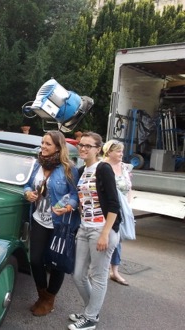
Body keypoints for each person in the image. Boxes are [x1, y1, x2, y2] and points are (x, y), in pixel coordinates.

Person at [23, 130, 80, 317]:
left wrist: (68, 206)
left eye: (48, 144)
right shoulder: (37, 165)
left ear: (58, 147)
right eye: (43, 142)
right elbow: (28, 184)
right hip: (39, 219)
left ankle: (48, 299)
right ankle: (42, 294)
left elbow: (75, 195)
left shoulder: (68, 169)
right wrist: (28, 193)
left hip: (59, 222)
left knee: (56, 262)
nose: (43, 146)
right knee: (36, 260)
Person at [68, 132, 121, 330]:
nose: (83, 148)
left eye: (88, 146)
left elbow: (114, 204)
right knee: (78, 275)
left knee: (98, 276)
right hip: (85, 227)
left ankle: (90, 318)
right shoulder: (82, 170)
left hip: (102, 229)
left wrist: (105, 233)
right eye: (81, 145)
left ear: (98, 149)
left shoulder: (103, 168)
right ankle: (92, 311)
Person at [103, 139, 133, 286]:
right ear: (109, 152)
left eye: (122, 151)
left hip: (122, 209)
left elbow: (129, 187)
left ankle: (114, 271)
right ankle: (101, 269)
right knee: (106, 238)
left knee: (118, 240)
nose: (122, 154)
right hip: (107, 209)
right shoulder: (103, 166)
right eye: (118, 151)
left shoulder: (124, 167)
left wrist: (128, 205)